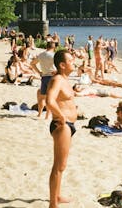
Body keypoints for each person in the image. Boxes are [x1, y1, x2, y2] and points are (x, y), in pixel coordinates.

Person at [46, 49, 81, 208]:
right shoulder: (57, 79)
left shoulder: (65, 79)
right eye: (71, 61)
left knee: (62, 165)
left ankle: (58, 196)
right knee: (59, 166)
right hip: (62, 126)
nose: (74, 62)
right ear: (62, 64)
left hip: (69, 125)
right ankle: (53, 204)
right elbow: (50, 100)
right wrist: (61, 116)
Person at [30, 42, 57, 118]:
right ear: (54, 47)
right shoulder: (53, 55)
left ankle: (39, 114)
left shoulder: (41, 55)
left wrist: (39, 72)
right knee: (49, 98)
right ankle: (47, 116)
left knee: (42, 98)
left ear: (46, 47)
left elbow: (32, 63)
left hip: (44, 77)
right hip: (51, 77)